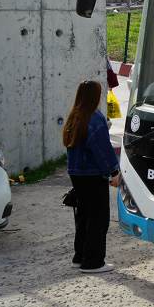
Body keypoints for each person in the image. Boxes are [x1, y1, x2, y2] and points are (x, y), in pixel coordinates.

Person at [62, 80, 120, 273]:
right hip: (93, 174)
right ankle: (93, 262)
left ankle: (79, 257)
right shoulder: (95, 119)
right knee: (98, 218)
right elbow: (102, 150)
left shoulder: (74, 116)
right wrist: (114, 172)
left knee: (83, 216)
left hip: (76, 173)